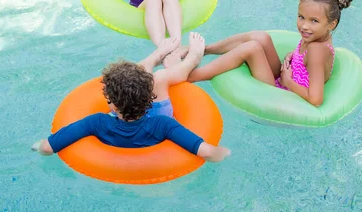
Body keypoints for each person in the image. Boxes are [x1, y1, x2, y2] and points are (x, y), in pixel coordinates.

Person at [32, 32, 230, 162]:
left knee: (142, 73)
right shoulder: (163, 124)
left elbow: (47, 148)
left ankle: (158, 55)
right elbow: (208, 152)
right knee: (159, 77)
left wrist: (36, 146)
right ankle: (192, 58)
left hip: (125, 123)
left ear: (111, 103)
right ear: (150, 98)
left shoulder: (96, 123)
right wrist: (225, 153)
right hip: (152, 119)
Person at [188, 0, 353, 107]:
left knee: (252, 48)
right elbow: (307, 63)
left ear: (331, 24)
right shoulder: (317, 37)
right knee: (261, 37)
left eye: (314, 21)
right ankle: (205, 50)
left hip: (285, 93)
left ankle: (192, 76)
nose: (304, 26)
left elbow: (316, 100)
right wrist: (294, 56)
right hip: (285, 79)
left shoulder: (317, 49)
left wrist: (288, 82)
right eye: (301, 17)